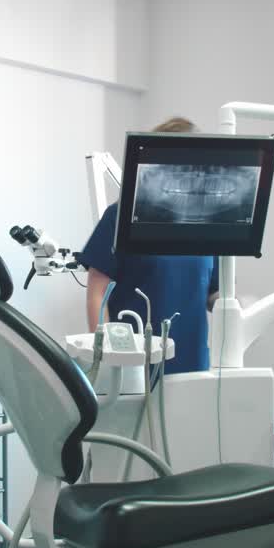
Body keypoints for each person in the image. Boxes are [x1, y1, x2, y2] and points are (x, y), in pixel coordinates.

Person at [79, 117, 219, 374]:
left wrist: (235, 308)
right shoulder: (122, 216)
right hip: (134, 367)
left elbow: (212, 293)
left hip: (193, 364)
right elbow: (97, 294)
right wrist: (107, 359)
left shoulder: (207, 223)